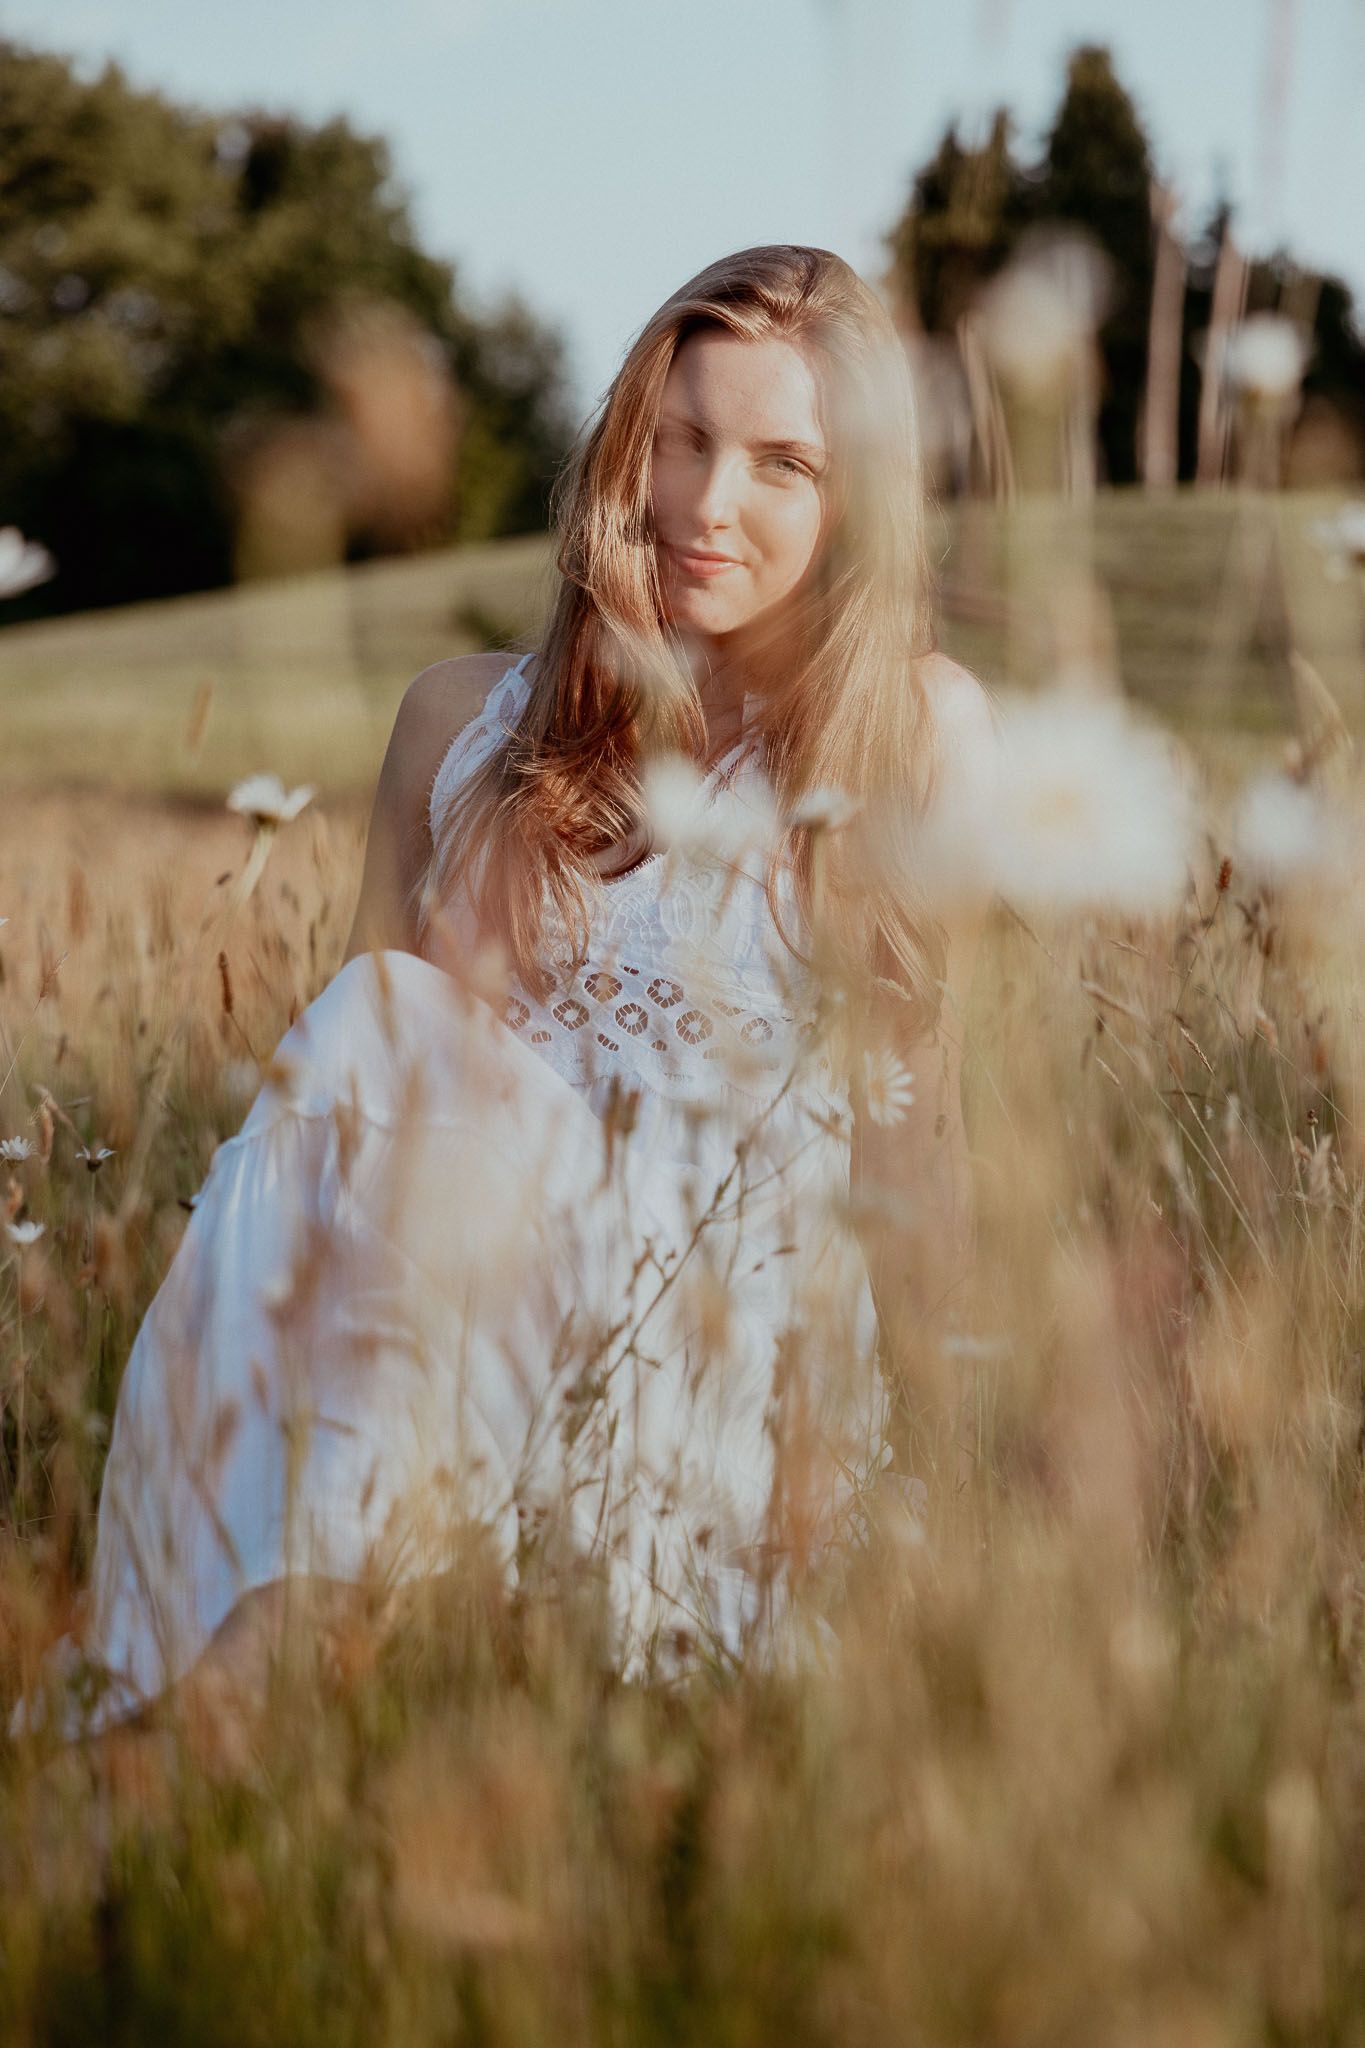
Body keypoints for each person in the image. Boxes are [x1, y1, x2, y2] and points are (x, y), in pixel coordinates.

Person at [14, 244, 996, 1745]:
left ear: (856, 497)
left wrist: (963, 1455)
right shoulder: (459, 723)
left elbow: (920, 1139)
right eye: (680, 438)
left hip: (708, 1341)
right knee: (379, 1024)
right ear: (627, 440)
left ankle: (190, 1728)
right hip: (408, 1305)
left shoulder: (915, 738)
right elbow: (340, 1111)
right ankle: (243, 1672)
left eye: (782, 463)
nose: (706, 503)